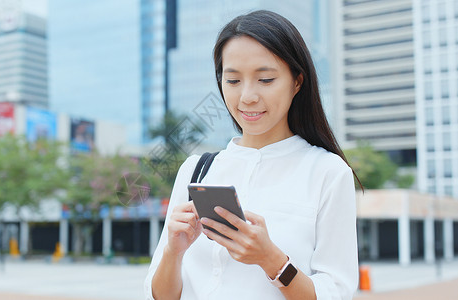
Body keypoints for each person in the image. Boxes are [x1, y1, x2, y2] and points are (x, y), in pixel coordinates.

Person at [144, 10, 359, 300]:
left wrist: (272, 260)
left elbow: (337, 293)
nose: (247, 96)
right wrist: (173, 251)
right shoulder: (196, 170)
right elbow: (158, 295)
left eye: (266, 79)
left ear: (297, 82)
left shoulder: (328, 172)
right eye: (233, 81)